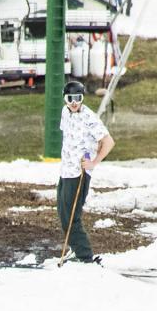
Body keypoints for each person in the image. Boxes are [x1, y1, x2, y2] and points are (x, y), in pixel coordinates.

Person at [56, 79, 115, 264]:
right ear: (65, 99)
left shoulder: (89, 117)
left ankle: (85, 256)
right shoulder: (65, 112)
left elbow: (108, 142)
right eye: (70, 98)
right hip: (65, 171)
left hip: (78, 174)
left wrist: (93, 161)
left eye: (78, 98)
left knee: (71, 216)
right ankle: (75, 248)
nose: (74, 103)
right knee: (62, 212)